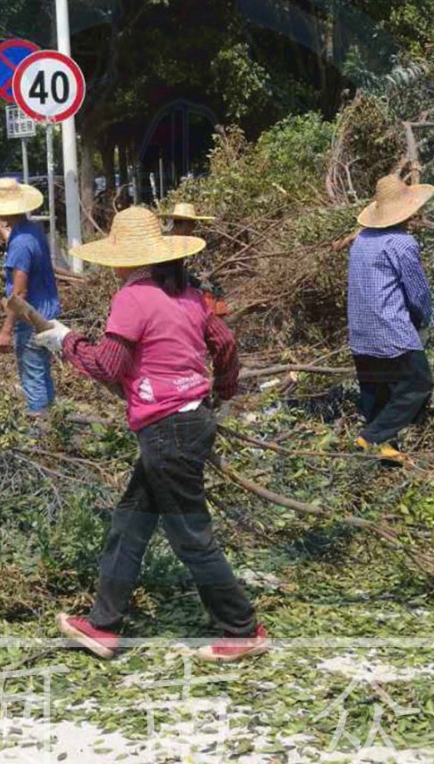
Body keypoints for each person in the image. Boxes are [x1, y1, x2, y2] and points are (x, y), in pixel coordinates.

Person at [25, 206, 269, 663]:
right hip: (189, 421)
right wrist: (223, 393)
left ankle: (242, 628)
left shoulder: (133, 297)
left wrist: (65, 341)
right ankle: (104, 625)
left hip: (167, 429)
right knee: (131, 522)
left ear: (124, 259)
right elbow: (225, 343)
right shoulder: (188, 293)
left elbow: (107, 366)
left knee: (190, 535)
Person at [346, 174, 434, 462]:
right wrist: (424, 320)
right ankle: (371, 438)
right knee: (418, 385)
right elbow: (417, 292)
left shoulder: (360, 241)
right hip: (391, 331)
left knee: (377, 396)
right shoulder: (402, 243)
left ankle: (384, 455)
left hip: (361, 334)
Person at [0, 177, 59, 417]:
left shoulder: (20, 244)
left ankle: (40, 429)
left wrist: (6, 331)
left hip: (31, 319)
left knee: (32, 377)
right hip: (47, 314)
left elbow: (19, 293)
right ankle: (53, 423)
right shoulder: (32, 230)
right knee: (42, 371)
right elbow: (14, 242)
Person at [160, 202, 228, 317]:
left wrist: (198, 283)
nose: (193, 228)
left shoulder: (179, 242)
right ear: (182, 224)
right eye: (191, 224)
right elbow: (168, 276)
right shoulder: (166, 245)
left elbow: (179, 271)